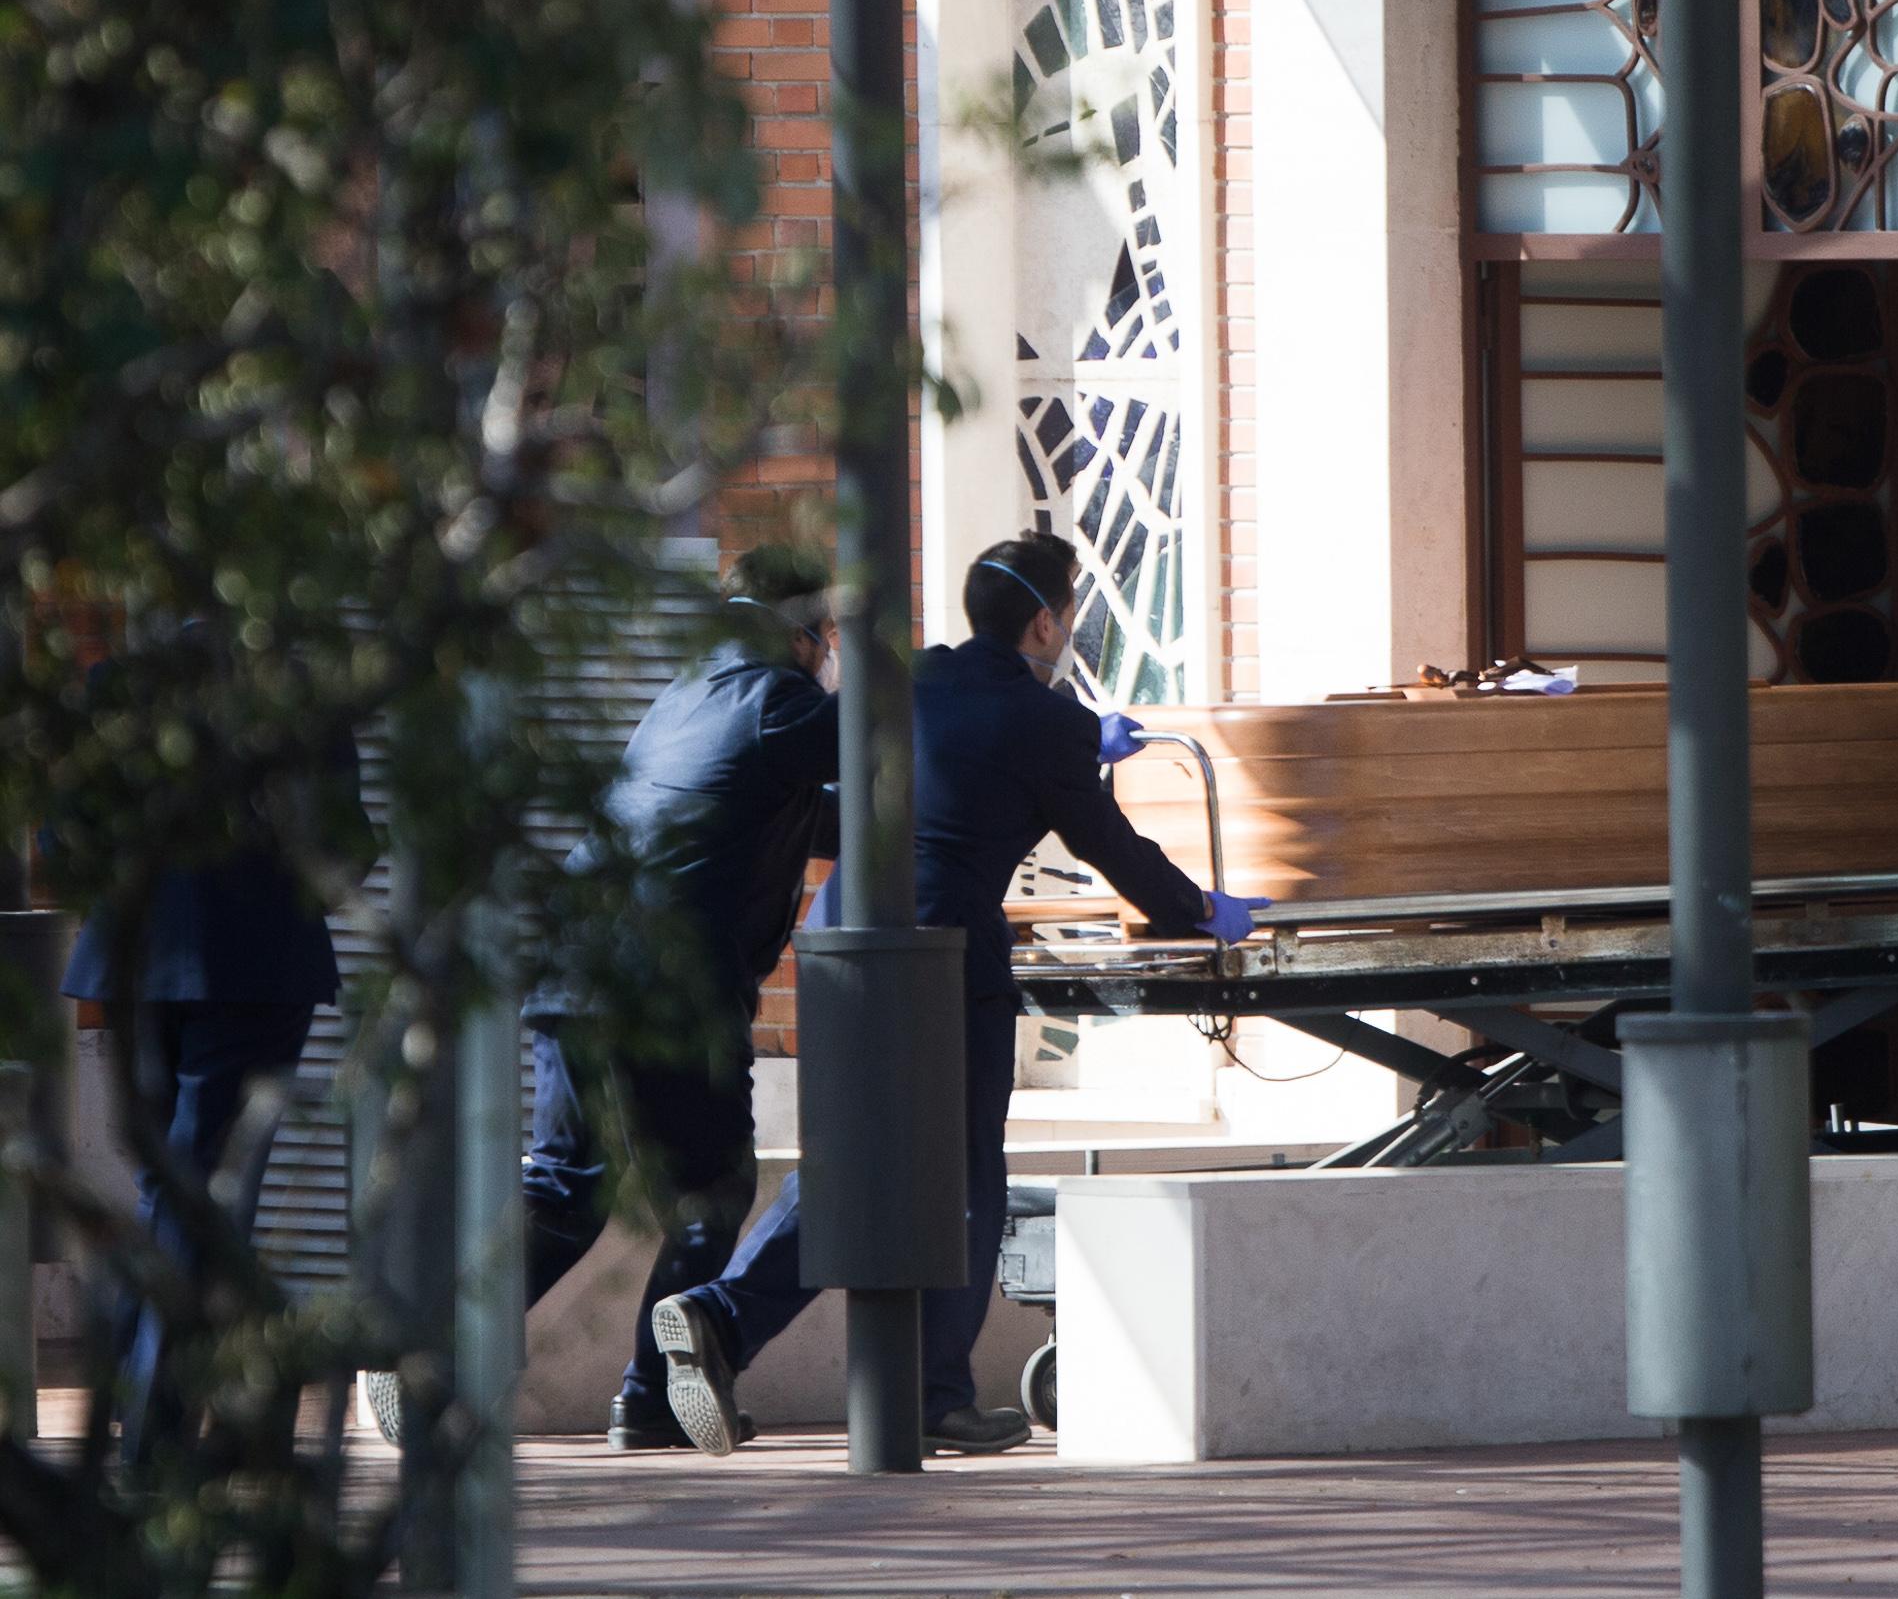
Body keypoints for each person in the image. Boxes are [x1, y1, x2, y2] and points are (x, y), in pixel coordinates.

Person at [647, 530, 1266, 1459]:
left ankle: (719, 1314)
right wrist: (1201, 909)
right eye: (1070, 619)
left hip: (840, 930)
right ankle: (936, 1392)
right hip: (939, 953)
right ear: (1047, 621)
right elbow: (1112, 847)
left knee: (854, 1152)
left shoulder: (918, 677)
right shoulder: (1047, 721)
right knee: (967, 1172)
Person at [367, 544, 840, 1451]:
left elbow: (776, 816)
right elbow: (880, 738)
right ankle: (652, 1397)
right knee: (711, 1191)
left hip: (575, 972)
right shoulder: (779, 700)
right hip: (669, 990)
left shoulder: (686, 696)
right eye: (823, 636)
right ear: (801, 631)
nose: (828, 653)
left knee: (567, 1188)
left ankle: (432, 1347)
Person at [57, 618, 371, 1467]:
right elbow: (349, 844)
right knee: (203, 1199)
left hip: (132, 966)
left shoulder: (120, 680)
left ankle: (136, 1418)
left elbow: (62, 839)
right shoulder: (298, 685)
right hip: (255, 965)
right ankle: (152, 1439)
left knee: (169, 1191)